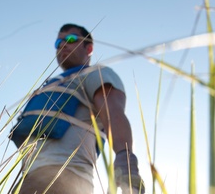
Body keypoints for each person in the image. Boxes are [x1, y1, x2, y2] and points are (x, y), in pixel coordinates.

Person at [10, 23, 145, 194]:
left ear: (89, 48)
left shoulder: (94, 74)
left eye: (71, 39)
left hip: (67, 177)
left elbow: (113, 113)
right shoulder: (50, 86)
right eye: (58, 43)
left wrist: (125, 159)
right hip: (26, 180)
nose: (63, 45)